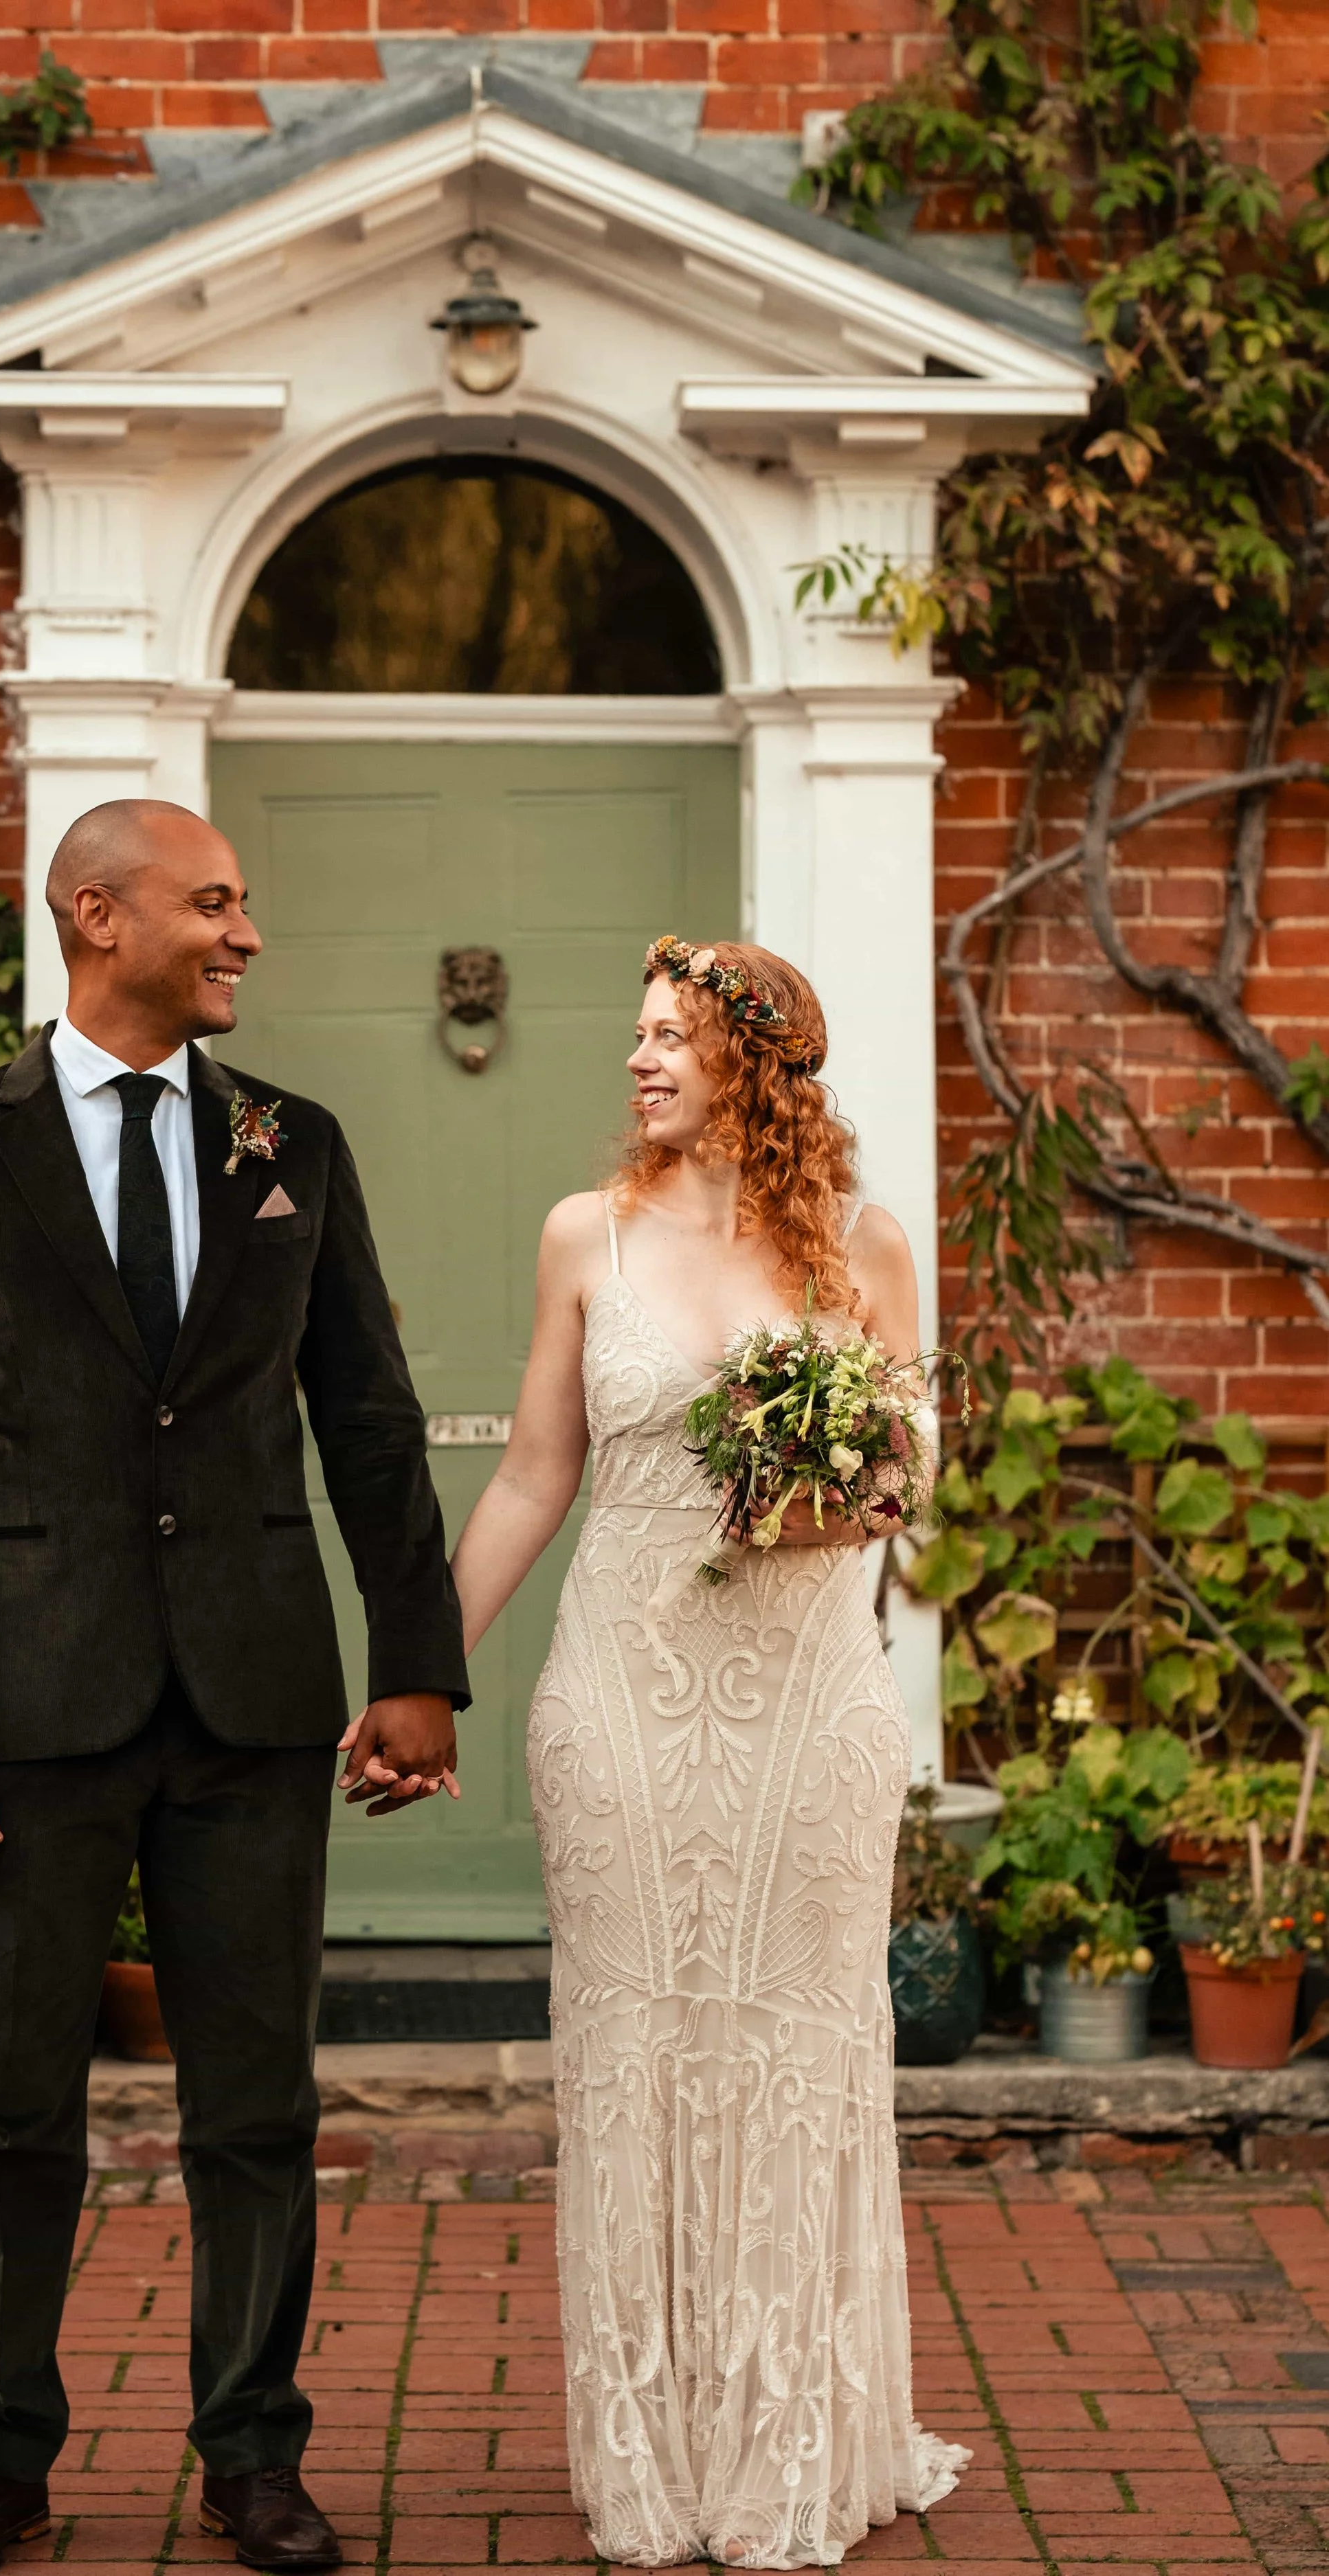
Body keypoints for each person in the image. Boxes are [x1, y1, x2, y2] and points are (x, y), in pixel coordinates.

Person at [0, 799, 467, 2576]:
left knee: (257, 2106)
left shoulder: (291, 1142)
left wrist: (415, 1662)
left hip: (254, 1692)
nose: (244, 933)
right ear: (94, 915)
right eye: (212, 902)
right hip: (23, 1707)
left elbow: (367, 1416)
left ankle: (253, 2458)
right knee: (8, 2099)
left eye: (242, 902)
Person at [449, 938, 969, 2570]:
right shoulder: (582, 1234)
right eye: (636, 1033)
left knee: (792, 2059)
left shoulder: (865, 1246)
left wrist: (841, 1477)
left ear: (756, 1061)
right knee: (636, 2057)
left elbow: (907, 1478)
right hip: (618, 1702)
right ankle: (652, 2456)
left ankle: (787, 2445)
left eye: (669, 1035)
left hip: (806, 1706)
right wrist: (418, 1672)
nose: (638, 1060)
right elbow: (533, 1475)